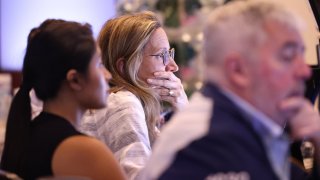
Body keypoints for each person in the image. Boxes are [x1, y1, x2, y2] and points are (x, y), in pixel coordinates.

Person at [141, 1, 320, 180]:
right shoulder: (207, 144)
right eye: (287, 56)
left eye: (301, 54)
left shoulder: (245, 125)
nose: (304, 71)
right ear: (238, 71)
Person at [0, 19, 126, 180]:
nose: (108, 75)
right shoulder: (84, 151)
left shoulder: (25, 134)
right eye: (99, 65)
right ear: (75, 80)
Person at [80, 11, 189, 180]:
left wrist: (182, 108)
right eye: (162, 55)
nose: (173, 66)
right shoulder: (122, 102)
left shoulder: (121, 99)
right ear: (124, 66)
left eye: (170, 53)